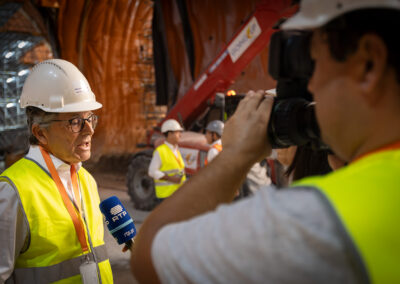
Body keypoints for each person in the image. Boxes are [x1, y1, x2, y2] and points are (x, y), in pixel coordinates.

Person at [131, 1, 400, 283]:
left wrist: (236, 153)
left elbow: (150, 257)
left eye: (316, 62)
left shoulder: (320, 218)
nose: (312, 86)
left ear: (368, 64)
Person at [0, 59, 113, 283]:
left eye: (90, 118)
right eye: (75, 122)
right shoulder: (12, 192)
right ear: (40, 133)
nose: (89, 130)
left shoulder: (87, 180)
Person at [148, 119, 186, 200]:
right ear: (169, 134)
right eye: (178, 132)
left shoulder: (176, 150)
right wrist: (170, 178)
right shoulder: (160, 151)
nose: (180, 135)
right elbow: (152, 171)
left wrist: (180, 177)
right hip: (166, 196)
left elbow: (179, 169)